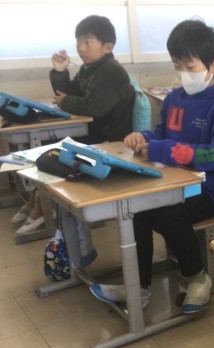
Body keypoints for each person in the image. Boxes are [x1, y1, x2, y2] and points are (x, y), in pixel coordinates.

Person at [90, 19, 214, 314]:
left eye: (190, 66)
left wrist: (164, 149)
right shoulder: (175, 99)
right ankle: (138, 288)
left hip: (209, 188)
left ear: (213, 63)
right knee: (136, 209)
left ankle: (197, 278)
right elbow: (161, 135)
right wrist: (143, 138)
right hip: (171, 181)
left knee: (168, 214)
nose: (184, 73)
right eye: (178, 65)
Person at [12, 15, 135, 235]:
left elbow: (94, 106)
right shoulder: (89, 68)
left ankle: (46, 206)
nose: (81, 48)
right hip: (91, 132)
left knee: (53, 150)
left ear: (107, 47)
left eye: (88, 42)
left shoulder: (111, 71)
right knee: (46, 147)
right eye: (78, 41)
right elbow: (68, 94)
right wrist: (60, 71)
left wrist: (65, 101)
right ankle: (39, 199)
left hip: (108, 139)